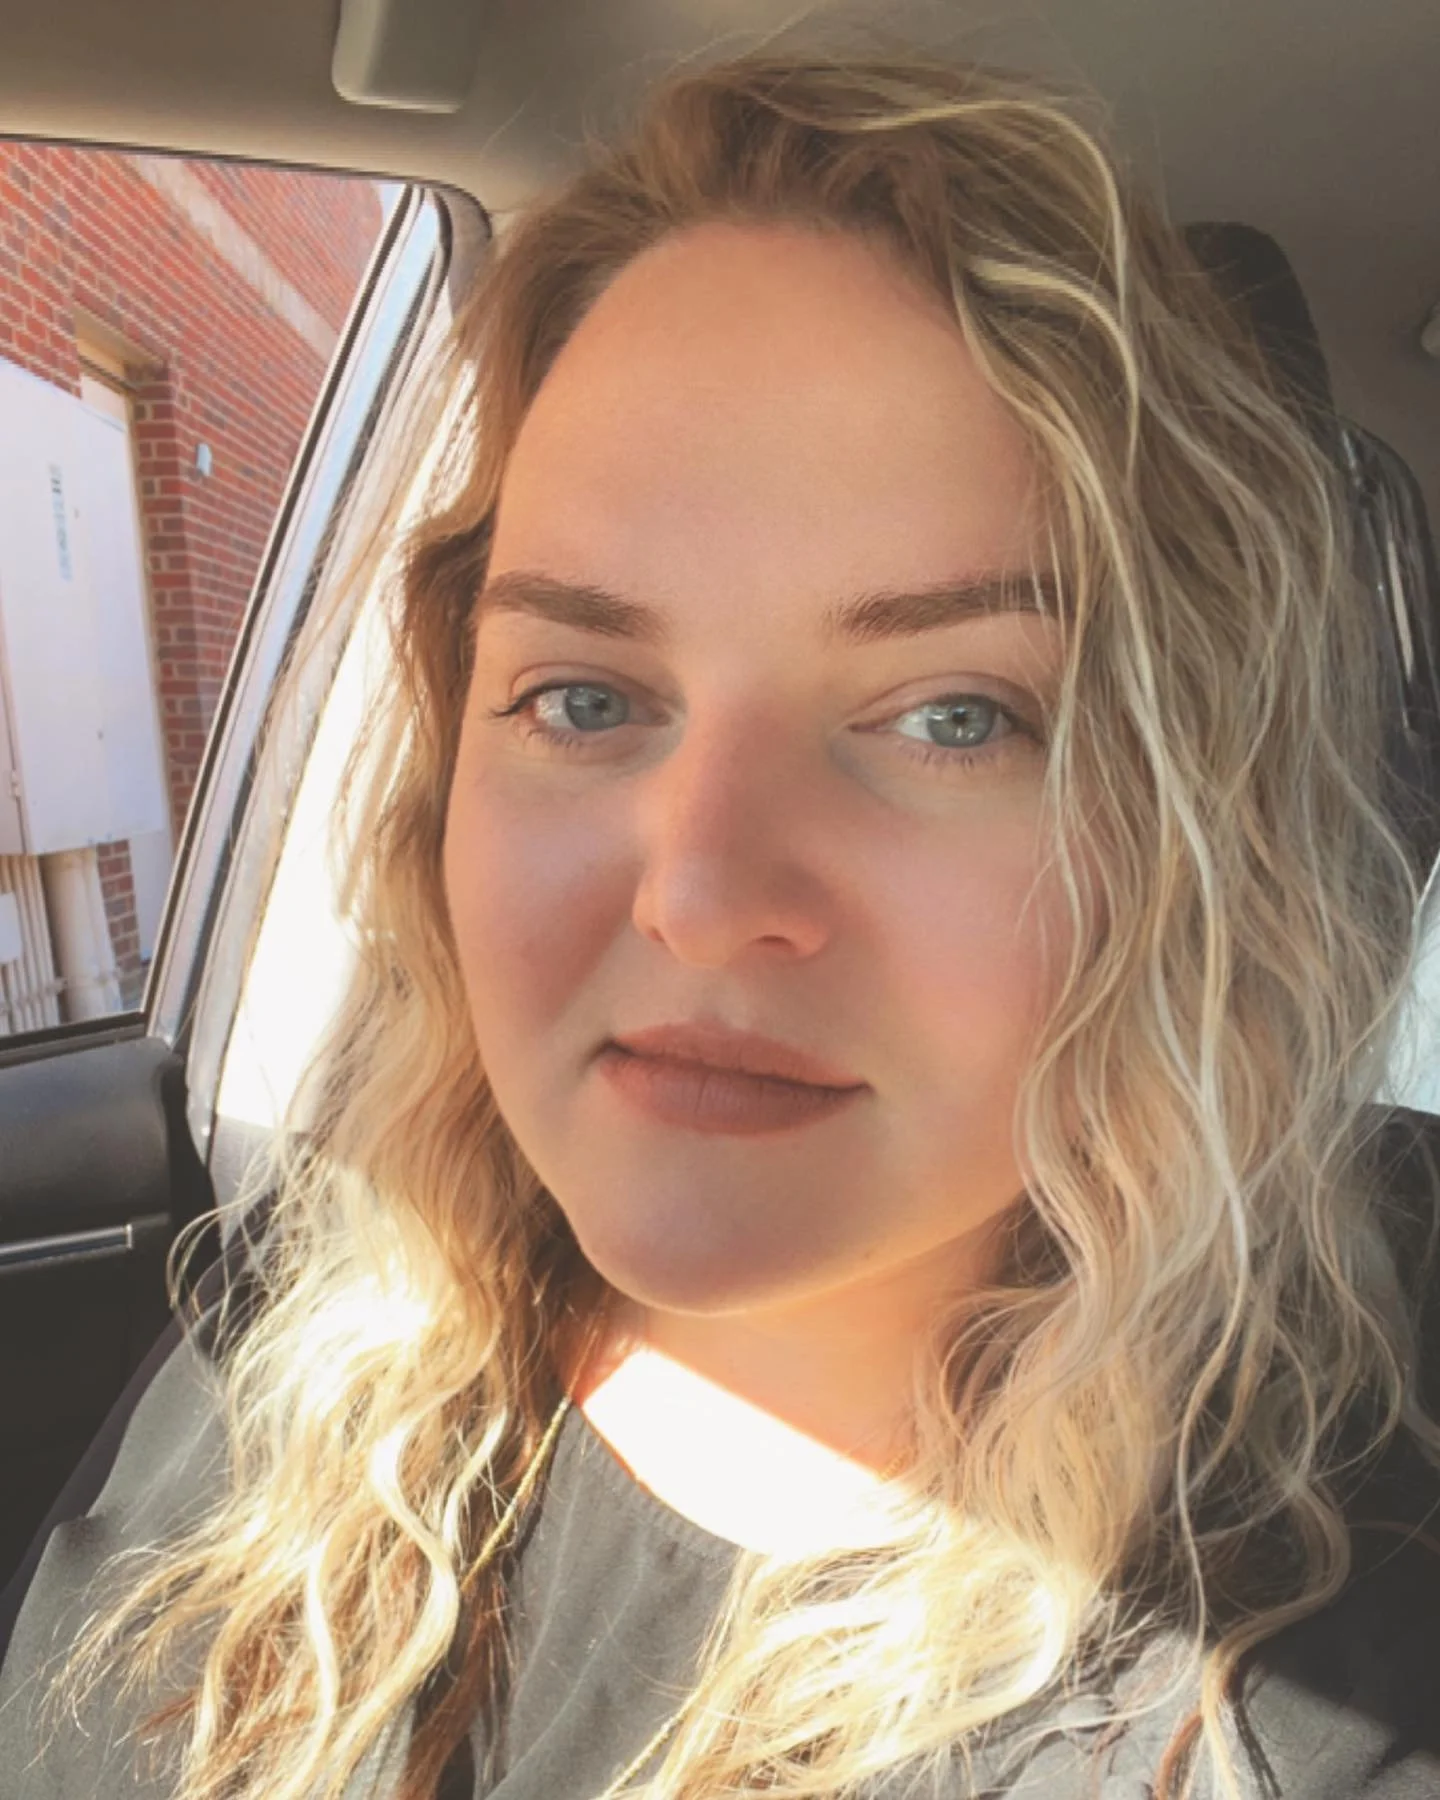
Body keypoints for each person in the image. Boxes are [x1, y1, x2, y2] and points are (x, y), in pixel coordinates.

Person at [3, 39, 1440, 1800]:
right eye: (586, 698)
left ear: (1193, 829)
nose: (697, 896)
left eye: (954, 715)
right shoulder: (305, 1303)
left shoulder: (1310, 1694)